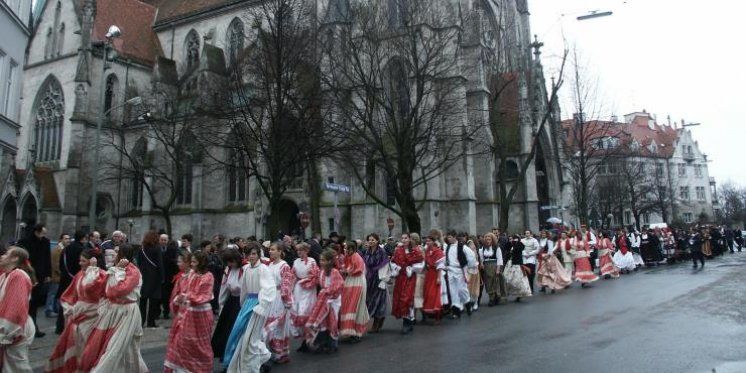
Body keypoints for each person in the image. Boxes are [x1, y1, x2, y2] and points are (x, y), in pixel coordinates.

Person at [79, 244, 148, 372]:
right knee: (124, 348)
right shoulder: (115, 269)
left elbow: (116, 291)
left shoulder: (133, 271)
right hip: (115, 311)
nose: (114, 255)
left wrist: (118, 270)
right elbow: (97, 287)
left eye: (116, 252)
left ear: (123, 255)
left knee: (115, 347)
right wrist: (93, 268)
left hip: (126, 312)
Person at [46, 249, 107, 372]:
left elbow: (91, 287)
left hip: (93, 318)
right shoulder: (79, 274)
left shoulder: (100, 275)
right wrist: (70, 309)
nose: (80, 263)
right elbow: (69, 295)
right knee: (77, 348)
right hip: (77, 318)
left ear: (91, 261)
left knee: (88, 350)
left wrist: (93, 269)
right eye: (80, 260)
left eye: (83, 261)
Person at [225, 246, 274, 373]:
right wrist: (243, 304)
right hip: (248, 304)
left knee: (251, 338)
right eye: (249, 254)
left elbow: (268, 288)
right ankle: (249, 364)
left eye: (253, 254)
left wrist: (261, 306)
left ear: (258, 255)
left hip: (257, 304)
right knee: (241, 335)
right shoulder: (247, 269)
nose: (251, 256)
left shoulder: (263, 269)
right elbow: (244, 289)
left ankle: (254, 365)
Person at [164, 250, 215, 373]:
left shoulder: (208, 276)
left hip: (201, 314)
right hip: (188, 313)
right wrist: (180, 298)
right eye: (191, 261)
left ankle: (198, 369)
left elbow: (203, 296)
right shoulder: (191, 274)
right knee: (182, 340)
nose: (191, 264)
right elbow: (185, 290)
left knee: (198, 344)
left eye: (194, 262)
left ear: (201, 263)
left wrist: (187, 296)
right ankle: (181, 368)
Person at [0, 247, 36, 372]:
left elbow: (15, 309)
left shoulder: (18, 276)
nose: (2, 256)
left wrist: (5, 334)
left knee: (15, 368)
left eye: (6, 254)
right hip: (13, 329)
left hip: (16, 329)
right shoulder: (6, 275)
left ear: (15, 258)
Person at [304, 249, 344, 353]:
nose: (321, 262)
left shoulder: (335, 272)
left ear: (330, 261)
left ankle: (333, 344)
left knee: (332, 321)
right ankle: (323, 342)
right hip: (324, 300)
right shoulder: (321, 272)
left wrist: (327, 292)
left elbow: (338, 285)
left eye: (323, 260)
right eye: (320, 260)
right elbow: (317, 281)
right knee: (323, 321)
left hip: (333, 300)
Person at [17, 223, 51, 338]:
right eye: (42, 233)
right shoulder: (25, 241)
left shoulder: (45, 242)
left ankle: (33, 327)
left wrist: (48, 274)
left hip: (40, 276)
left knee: (35, 303)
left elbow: (47, 258)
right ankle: (21, 327)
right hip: (27, 275)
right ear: (37, 231)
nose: (44, 236)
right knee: (25, 302)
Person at [264, 242, 294, 364]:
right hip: (270, 297)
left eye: (273, 249)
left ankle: (281, 353)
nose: (270, 251)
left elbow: (286, 285)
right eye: (270, 249)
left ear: (280, 251)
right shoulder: (270, 265)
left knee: (279, 325)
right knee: (270, 324)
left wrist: (286, 301)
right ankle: (273, 351)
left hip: (279, 298)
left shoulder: (284, 266)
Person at [212, 249, 244, 362]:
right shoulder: (228, 270)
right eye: (227, 262)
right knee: (226, 332)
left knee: (238, 331)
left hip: (243, 302)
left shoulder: (245, 268)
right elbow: (224, 288)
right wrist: (221, 304)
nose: (229, 264)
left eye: (230, 261)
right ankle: (229, 360)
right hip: (231, 303)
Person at [391, 233, 424, 334]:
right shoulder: (398, 251)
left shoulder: (415, 251)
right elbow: (393, 262)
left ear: (410, 239)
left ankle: (407, 322)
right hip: (400, 278)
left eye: (406, 238)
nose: (404, 240)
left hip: (409, 278)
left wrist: (412, 268)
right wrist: (396, 268)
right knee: (400, 298)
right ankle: (407, 321)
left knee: (406, 298)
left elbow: (420, 264)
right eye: (402, 238)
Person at [56, 230, 87, 334]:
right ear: (83, 238)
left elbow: (61, 264)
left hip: (65, 279)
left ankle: (60, 327)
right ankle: (70, 327)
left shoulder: (66, 249)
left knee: (64, 303)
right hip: (76, 280)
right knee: (75, 304)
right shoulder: (82, 250)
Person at [339, 241, 370, 341]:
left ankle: (357, 332)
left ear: (352, 249)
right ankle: (351, 330)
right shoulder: (349, 256)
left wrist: (346, 271)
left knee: (356, 305)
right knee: (349, 305)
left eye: (347, 248)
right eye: (345, 248)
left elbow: (359, 269)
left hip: (357, 282)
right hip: (351, 281)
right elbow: (346, 267)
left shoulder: (356, 257)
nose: (346, 250)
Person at [290, 242, 318, 348]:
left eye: (301, 250)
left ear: (306, 251)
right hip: (298, 289)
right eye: (298, 250)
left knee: (305, 311)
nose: (299, 252)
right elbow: (292, 275)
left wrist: (307, 282)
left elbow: (315, 275)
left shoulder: (312, 261)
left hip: (308, 290)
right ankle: (304, 340)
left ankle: (310, 337)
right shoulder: (296, 262)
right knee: (298, 312)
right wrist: (290, 289)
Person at [442, 231, 477, 317]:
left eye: (450, 237)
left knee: (462, 289)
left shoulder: (462, 247)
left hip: (459, 271)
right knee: (453, 291)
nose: (448, 239)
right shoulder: (448, 247)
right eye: (448, 237)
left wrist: (469, 266)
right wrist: (445, 265)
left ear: (454, 237)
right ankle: (456, 310)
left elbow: (471, 256)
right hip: (450, 270)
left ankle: (468, 303)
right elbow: (444, 257)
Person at [135, 231, 165, 328]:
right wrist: (162, 277)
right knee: (153, 301)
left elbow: (138, 262)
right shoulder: (157, 248)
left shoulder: (141, 248)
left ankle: (141, 321)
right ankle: (151, 322)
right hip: (155, 277)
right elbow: (160, 264)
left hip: (144, 277)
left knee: (143, 301)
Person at [362, 233, 389, 333]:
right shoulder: (367, 251)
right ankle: (378, 320)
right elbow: (365, 264)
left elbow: (385, 265)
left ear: (377, 241)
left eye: (373, 240)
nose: (371, 241)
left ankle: (376, 323)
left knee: (378, 301)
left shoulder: (381, 252)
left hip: (378, 278)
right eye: (369, 240)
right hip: (369, 278)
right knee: (370, 300)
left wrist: (383, 279)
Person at [422, 235, 445, 322]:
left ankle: (438, 315)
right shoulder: (427, 250)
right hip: (429, 274)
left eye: (429, 241)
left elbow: (440, 266)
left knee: (435, 295)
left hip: (435, 274)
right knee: (428, 294)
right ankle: (431, 313)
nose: (427, 243)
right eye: (427, 241)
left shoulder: (438, 251)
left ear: (433, 241)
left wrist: (438, 277)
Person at [479, 232, 505, 307]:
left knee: (495, 282)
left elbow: (499, 259)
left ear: (492, 240)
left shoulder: (496, 248)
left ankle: (494, 297)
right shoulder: (482, 248)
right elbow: (481, 258)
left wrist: (498, 269)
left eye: (489, 239)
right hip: (486, 266)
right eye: (486, 239)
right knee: (488, 283)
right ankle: (491, 297)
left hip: (494, 265)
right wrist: (482, 264)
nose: (488, 241)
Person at [46, 233, 69, 319]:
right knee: (52, 293)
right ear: (61, 240)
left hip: (59, 276)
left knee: (57, 294)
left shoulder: (63, 249)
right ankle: (49, 310)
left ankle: (55, 309)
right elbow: (55, 264)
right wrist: (61, 273)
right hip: (56, 276)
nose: (68, 240)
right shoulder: (57, 250)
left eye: (68, 239)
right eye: (66, 238)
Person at [504, 235, 532, 302]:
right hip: (510, 264)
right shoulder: (510, 245)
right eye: (511, 239)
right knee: (507, 278)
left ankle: (519, 295)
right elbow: (506, 251)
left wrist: (516, 242)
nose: (512, 240)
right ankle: (507, 293)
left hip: (517, 264)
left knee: (518, 280)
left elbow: (519, 249)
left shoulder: (520, 245)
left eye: (514, 239)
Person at [160, 235, 179, 320]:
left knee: (167, 295)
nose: (163, 241)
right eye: (162, 240)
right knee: (160, 296)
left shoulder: (172, 249)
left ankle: (166, 312)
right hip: (160, 276)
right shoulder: (157, 249)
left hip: (170, 276)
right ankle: (157, 312)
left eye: (165, 240)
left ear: (167, 241)